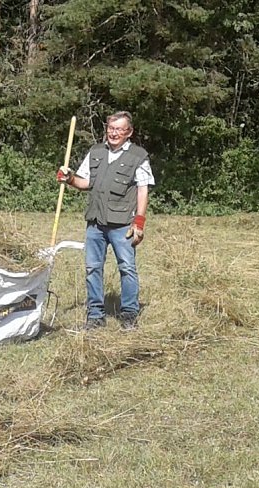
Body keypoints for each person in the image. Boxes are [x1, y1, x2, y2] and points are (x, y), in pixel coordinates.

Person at [57, 111, 155, 331]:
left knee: (127, 269)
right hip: (95, 223)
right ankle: (95, 316)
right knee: (92, 269)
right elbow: (85, 182)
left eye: (119, 129)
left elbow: (142, 190)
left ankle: (129, 315)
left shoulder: (138, 156)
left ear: (129, 132)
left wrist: (139, 222)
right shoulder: (96, 152)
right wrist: (69, 178)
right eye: (111, 128)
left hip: (123, 225)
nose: (114, 133)